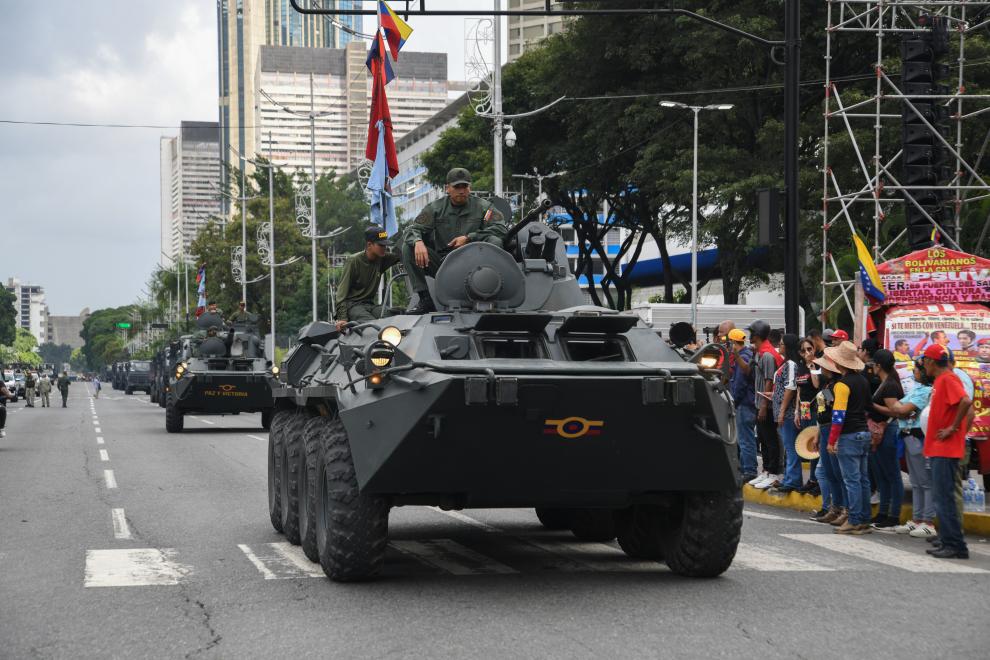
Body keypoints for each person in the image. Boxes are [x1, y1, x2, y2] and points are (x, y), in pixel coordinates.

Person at [400, 168, 507, 314]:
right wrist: (418, 242)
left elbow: (500, 229)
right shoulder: (435, 208)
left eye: (465, 186)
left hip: (477, 266)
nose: (461, 191)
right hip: (444, 265)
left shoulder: (484, 208)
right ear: (447, 188)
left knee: (495, 240)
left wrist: (469, 238)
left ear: (470, 188)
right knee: (408, 247)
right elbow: (413, 229)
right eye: (457, 187)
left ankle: (488, 291)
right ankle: (425, 300)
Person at [922, 344, 973, 559]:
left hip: (946, 449)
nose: (923, 365)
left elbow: (966, 401)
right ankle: (947, 540)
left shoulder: (948, 378)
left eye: (924, 361)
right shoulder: (941, 380)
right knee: (941, 498)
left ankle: (955, 545)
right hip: (939, 448)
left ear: (931, 361)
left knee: (944, 499)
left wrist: (953, 427)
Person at [876, 357, 936, 538]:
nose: (914, 372)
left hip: (918, 437)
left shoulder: (926, 391)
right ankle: (917, 519)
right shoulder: (918, 389)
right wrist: (900, 408)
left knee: (925, 482)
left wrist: (898, 407)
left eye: (916, 369)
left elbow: (900, 409)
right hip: (908, 435)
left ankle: (928, 522)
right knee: (916, 482)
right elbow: (900, 409)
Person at [824, 341, 872, 534]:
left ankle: (854, 519)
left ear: (838, 363)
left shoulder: (842, 385)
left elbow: (838, 415)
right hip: (864, 432)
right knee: (863, 480)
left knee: (851, 481)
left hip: (849, 435)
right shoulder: (863, 381)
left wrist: (831, 440)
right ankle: (864, 519)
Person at [334, 226, 401, 331]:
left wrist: (417, 242)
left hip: (370, 305)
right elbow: (341, 294)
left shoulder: (382, 258)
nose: (384, 248)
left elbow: (402, 253)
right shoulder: (353, 261)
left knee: (396, 316)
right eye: (381, 245)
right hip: (352, 306)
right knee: (373, 326)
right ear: (369, 245)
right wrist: (342, 318)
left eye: (385, 245)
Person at [867, 349, 905, 530]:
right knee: (881, 474)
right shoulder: (885, 383)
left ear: (879, 366)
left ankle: (893, 515)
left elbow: (894, 411)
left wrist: (872, 405)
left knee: (892, 474)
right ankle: (883, 513)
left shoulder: (890, 386)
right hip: (880, 431)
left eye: (873, 365)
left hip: (887, 430)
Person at [810, 355, 847, 524]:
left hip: (832, 427)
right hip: (824, 428)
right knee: (830, 472)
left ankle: (843, 508)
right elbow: (822, 411)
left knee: (838, 472)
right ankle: (835, 507)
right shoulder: (827, 385)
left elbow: (833, 407)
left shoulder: (836, 386)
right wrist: (818, 434)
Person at [747, 320, 784, 490]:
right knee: (762, 438)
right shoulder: (760, 352)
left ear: (757, 335)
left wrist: (763, 406)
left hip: (767, 406)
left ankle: (773, 472)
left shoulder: (767, 355)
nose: (749, 336)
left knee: (770, 440)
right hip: (760, 403)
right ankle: (766, 470)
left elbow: (769, 381)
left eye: (751, 333)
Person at [770, 334, 803, 493]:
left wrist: (782, 411)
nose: (779, 346)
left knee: (790, 447)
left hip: (787, 413)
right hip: (782, 411)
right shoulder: (786, 363)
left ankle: (793, 480)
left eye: (782, 344)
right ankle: (789, 478)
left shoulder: (790, 364)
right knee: (788, 447)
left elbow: (790, 387)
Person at [728, 328, 758, 482]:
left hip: (744, 403)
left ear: (733, 342)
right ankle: (747, 468)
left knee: (745, 439)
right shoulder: (748, 355)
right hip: (748, 402)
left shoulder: (743, 357)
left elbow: (740, 384)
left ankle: (749, 470)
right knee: (745, 438)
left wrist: (734, 401)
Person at [795, 337, 822, 495]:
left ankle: (815, 479)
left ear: (814, 349)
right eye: (803, 350)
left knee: (814, 445)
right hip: (804, 408)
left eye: (809, 349)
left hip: (815, 408)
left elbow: (817, 385)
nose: (807, 352)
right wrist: (796, 411)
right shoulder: (800, 367)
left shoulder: (817, 365)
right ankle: (813, 479)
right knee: (808, 445)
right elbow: (799, 389)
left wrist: (812, 366)